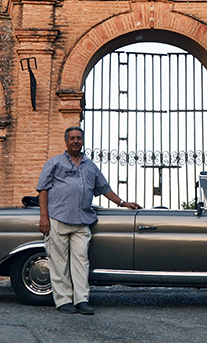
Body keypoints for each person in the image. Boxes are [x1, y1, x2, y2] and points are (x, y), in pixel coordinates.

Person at [36, 126, 140, 315]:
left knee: (81, 262)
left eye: (79, 138)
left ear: (82, 141)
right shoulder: (54, 162)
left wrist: (123, 202)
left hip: (83, 221)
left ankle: (81, 300)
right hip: (57, 219)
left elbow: (104, 187)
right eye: (72, 138)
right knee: (59, 262)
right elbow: (43, 189)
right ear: (66, 141)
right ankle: (63, 301)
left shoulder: (90, 165)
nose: (76, 141)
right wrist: (44, 217)